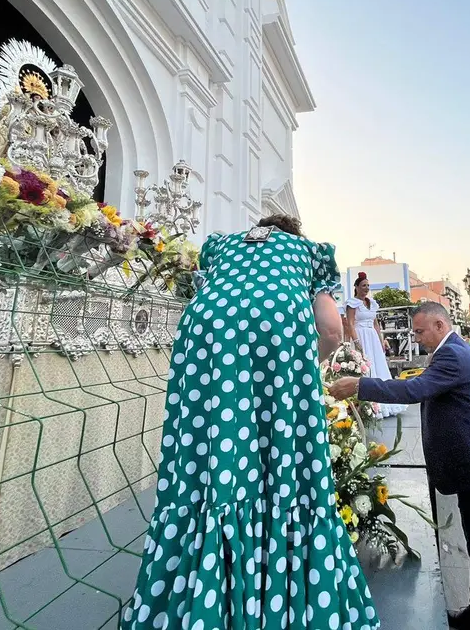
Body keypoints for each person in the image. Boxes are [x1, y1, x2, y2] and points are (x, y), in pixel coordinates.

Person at [122, 214, 378, 630]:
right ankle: (280, 601)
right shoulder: (307, 253)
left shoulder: (223, 247)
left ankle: (198, 599)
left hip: (206, 337)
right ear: (294, 233)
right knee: (282, 476)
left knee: (213, 459)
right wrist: (296, 369)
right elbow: (331, 328)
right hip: (277, 335)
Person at [329, 303, 470, 630]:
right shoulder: (452, 351)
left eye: (420, 331)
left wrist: (359, 385)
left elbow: (414, 389)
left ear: (438, 324)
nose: (417, 338)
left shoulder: (453, 355)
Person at [346, 271, 405, 418]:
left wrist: (380, 340)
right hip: (360, 335)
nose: (366, 288)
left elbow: (376, 324)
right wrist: (356, 341)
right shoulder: (352, 303)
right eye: (363, 285)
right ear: (357, 287)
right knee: (365, 367)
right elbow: (350, 323)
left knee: (379, 366)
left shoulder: (372, 304)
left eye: (368, 285)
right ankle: (367, 405)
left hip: (372, 336)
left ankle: (384, 401)